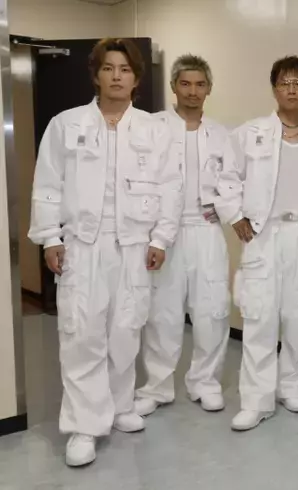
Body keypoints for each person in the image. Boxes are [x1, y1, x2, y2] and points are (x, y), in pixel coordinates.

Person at [28, 38, 182, 466]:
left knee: (126, 329)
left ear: (136, 78)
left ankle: (119, 405)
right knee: (82, 334)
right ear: (95, 75)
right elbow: (48, 184)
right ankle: (84, 425)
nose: (117, 76)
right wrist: (51, 238)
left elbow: (171, 187)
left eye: (125, 69)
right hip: (83, 245)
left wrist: (160, 238)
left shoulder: (154, 129)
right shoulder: (66, 124)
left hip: (134, 245)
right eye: (109, 68)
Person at [215, 56, 298, 431]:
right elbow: (226, 178)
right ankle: (256, 400)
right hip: (262, 235)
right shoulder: (249, 133)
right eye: (285, 82)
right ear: (274, 88)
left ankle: (294, 388)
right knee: (259, 318)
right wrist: (235, 216)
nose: (292, 89)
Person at [134, 55, 233, 417]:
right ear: (174, 86)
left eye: (200, 84)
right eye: (186, 84)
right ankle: (157, 387)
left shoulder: (222, 134)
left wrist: (226, 209)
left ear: (209, 89)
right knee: (163, 313)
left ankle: (205, 382)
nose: (193, 91)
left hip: (206, 230)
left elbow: (234, 181)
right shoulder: (153, 127)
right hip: (165, 233)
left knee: (212, 311)